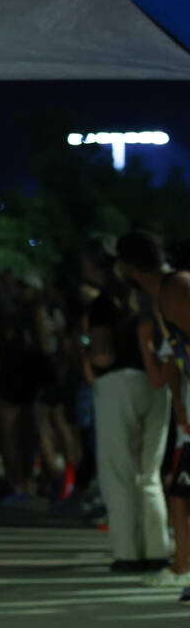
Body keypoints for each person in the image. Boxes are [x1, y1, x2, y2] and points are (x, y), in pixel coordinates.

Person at [83, 237, 171, 574]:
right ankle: (157, 549)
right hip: (156, 382)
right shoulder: (152, 297)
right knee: (149, 473)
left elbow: (103, 353)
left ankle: (128, 553)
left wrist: (85, 355)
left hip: (118, 383)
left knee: (118, 471)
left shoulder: (104, 303)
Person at [115, 230, 190, 595]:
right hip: (188, 412)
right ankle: (182, 567)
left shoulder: (176, 289)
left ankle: (182, 568)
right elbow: (163, 376)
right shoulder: (158, 301)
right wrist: (147, 345)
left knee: (181, 493)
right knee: (180, 493)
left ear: (128, 266)